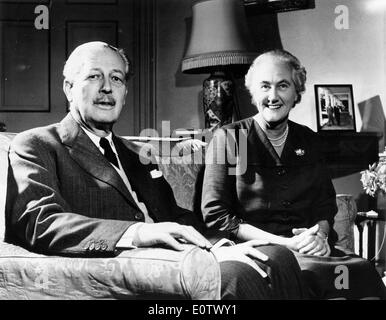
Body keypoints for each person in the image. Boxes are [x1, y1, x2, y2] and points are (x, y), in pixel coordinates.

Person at [5, 42, 306, 299]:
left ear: (124, 93)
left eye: (117, 79)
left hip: (178, 255)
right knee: (236, 276)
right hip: (125, 266)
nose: (107, 88)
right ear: (69, 88)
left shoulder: (138, 154)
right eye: (94, 77)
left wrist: (220, 244)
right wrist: (139, 232)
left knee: (276, 256)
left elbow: (173, 216)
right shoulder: (37, 144)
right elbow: (39, 222)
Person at [201, 49, 386, 299]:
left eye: (283, 85)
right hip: (259, 251)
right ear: (253, 91)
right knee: (305, 276)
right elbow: (216, 215)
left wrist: (320, 235)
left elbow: (324, 205)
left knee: (362, 271)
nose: (273, 96)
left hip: (309, 250)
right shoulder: (231, 138)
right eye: (265, 86)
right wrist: (285, 244)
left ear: (296, 92)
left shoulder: (309, 140)